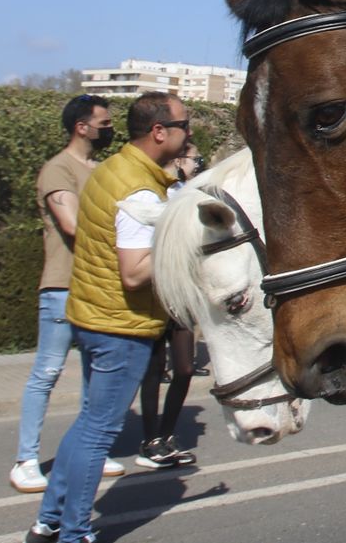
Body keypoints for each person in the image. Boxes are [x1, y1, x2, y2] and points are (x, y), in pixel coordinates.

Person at [27, 93, 188, 543]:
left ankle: (49, 521)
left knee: (87, 425)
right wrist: (183, 241)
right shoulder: (136, 188)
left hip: (96, 315)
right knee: (99, 434)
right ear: (159, 131)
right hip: (121, 325)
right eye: (183, 123)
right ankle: (75, 533)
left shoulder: (116, 168)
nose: (187, 131)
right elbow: (135, 272)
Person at [11, 96, 127, 494]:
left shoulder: (102, 170)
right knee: (46, 373)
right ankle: (26, 459)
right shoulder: (58, 169)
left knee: (94, 379)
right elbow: (73, 224)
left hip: (97, 287)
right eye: (104, 122)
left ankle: (89, 450)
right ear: (82, 126)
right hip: (63, 286)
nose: (109, 128)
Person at [133, 143, 204, 470]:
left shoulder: (186, 192)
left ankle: (167, 432)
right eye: (193, 159)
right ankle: (150, 441)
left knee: (185, 368)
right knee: (153, 368)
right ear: (178, 160)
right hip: (155, 290)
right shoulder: (151, 191)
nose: (196, 164)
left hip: (181, 291)